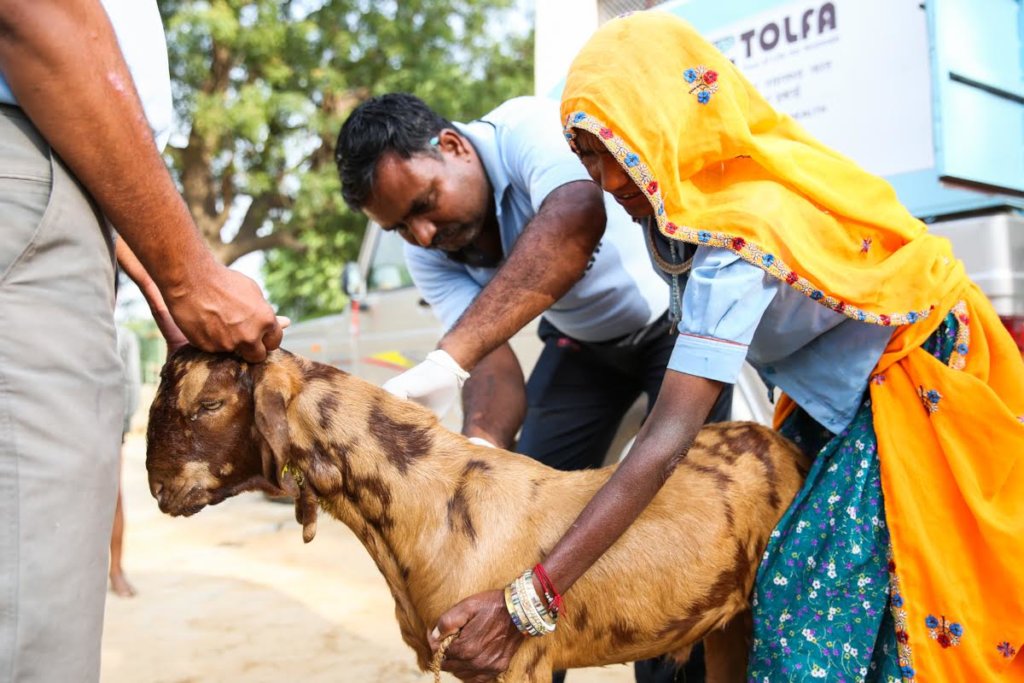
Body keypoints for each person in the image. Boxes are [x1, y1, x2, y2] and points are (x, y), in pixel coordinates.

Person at [413, 12, 1024, 683]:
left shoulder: (736, 232)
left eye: (614, 150)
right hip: (833, 397)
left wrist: (532, 597)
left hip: (906, 381)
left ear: (663, 128)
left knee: (810, 617)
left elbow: (668, 433)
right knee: (845, 600)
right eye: (585, 157)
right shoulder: (678, 222)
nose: (607, 181)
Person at [335, 93, 731, 682]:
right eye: (400, 227)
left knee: (673, 514)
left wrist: (448, 358)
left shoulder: (527, 127)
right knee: (514, 516)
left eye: (425, 205)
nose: (421, 234)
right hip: (582, 348)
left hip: (673, 334)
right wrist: (480, 447)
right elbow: (488, 365)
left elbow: (576, 220)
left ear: (453, 146)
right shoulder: (427, 249)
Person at [0, 1, 285, 680]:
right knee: (34, 622)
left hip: (69, 170)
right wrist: (190, 272)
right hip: (31, 153)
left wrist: (166, 283)